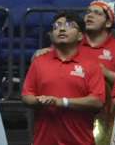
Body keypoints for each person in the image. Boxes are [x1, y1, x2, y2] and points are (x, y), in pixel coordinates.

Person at [22, 11, 106, 145]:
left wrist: (62, 102)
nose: (61, 29)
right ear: (51, 35)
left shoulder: (92, 65)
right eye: (57, 26)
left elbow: (97, 101)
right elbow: (27, 96)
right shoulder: (39, 62)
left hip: (81, 142)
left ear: (80, 36)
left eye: (69, 25)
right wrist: (41, 101)